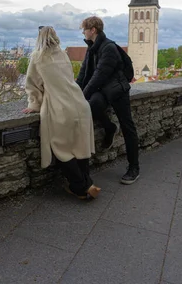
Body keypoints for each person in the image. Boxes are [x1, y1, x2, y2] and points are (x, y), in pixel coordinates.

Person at [23, 26, 101, 200]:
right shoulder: (63, 55)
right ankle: (88, 182)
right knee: (80, 146)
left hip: (60, 106)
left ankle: (81, 188)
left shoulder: (37, 57)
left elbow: (32, 84)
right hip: (79, 103)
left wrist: (34, 104)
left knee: (62, 148)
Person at [76, 16, 141, 184]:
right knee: (93, 105)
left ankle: (134, 167)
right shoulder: (92, 47)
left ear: (93, 30)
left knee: (128, 127)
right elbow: (83, 74)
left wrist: (82, 95)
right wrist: (74, 92)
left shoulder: (108, 48)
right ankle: (110, 127)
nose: (83, 32)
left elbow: (99, 76)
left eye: (84, 29)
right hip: (104, 90)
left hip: (118, 90)